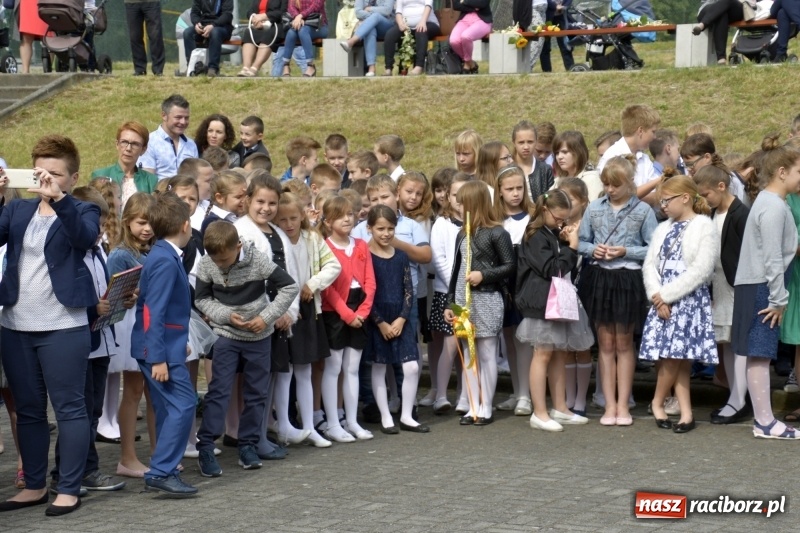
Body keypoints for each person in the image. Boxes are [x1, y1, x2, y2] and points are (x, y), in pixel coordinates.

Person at [0, 136, 99, 515]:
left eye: (56, 175)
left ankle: (69, 487)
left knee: (70, 409)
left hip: (63, 325)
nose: (48, 181)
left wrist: (59, 200)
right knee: (28, 410)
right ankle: (34, 485)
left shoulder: (83, 210)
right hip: (15, 323)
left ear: (72, 177)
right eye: (42, 173)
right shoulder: (18, 209)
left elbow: (84, 239)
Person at [195, 220, 298, 476]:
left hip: (259, 337)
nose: (220, 265)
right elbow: (202, 299)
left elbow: (290, 287)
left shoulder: (258, 260)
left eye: (225, 260)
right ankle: (206, 447)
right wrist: (225, 316)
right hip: (226, 335)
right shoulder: (207, 263)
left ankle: (248, 445)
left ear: (238, 246)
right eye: (216, 261)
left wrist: (267, 317)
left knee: (257, 393)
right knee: (218, 391)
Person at [49, 187, 127, 494]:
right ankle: (70, 472)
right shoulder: (69, 255)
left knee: (92, 410)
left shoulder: (99, 252)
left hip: (101, 341)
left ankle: (82, 469)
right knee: (78, 413)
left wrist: (122, 298)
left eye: (103, 224)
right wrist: (94, 305)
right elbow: (65, 297)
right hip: (80, 340)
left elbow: (101, 288)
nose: (100, 230)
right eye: (95, 224)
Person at [577, 155, 658, 426]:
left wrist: (626, 251)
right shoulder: (595, 208)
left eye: (615, 185)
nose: (610, 190)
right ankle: (608, 404)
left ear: (630, 183)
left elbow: (653, 247)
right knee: (605, 344)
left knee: (624, 343)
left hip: (628, 278)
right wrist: (593, 249)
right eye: (606, 184)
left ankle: (624, 404)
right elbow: (582, 242)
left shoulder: (643, 211)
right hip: (600, 277)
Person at [127, 192, 196, 495]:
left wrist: (180, 341)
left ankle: (162, 468)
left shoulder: (162, 254)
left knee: (171, 407)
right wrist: (158, 358)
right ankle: (162, 470)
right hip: (159, 350)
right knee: (184, 403)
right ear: (184, 225)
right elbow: (152, 311)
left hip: (166, 346)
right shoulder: (166, 260)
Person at [733, 136, 800, 439]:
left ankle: (764, 420)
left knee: (757, 353)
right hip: (763, 286)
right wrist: (778, 299)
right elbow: (773, 258)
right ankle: (764, 422)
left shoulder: (767, 201)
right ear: (782, 172)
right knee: (760, 354)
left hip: (756, 284)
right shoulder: (773, 207)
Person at [641, 175, 719, 434]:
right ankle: (674, 407)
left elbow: (702, 269)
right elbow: (650, 265)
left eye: (666, 200)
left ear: (685, 198)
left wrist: (667, 295)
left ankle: (667, 404)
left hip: (687, 301)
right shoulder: (663, 228)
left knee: (680, 358)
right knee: (673, 357)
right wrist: (657, 295)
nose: (662, 206)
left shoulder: (703, 226)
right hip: (664, 300)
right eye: (661, 201)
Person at [233, 174, 302, 458]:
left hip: (278, 318)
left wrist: (290, 311)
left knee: (270, 379)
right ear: (248, 200)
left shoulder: (278, 232)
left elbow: (290, 276)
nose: (266, 208)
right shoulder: (240, 230)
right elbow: (245, 280)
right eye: (260, 201)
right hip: (257, 320)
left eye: (272, 203)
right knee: (255, 383)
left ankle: (261, 434)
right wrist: (270, 314)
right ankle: (250, 440)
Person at [516, 189, 594, 431]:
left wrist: (562, 238)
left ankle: (560, 407)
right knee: (543, 353)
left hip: (556, 300)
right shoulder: (535, 235)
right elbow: (553, 269)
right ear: (544, 210)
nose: (562, 222)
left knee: (559, 351)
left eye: (565, 219)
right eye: (558, 218)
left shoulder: (549, 232)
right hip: (541, 302)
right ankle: (539, 412)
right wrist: (571, 247)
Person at [443, 181, 515, 425]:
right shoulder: (463, 233)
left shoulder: (497, 233)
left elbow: (509, 266)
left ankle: (486, 406)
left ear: (474, 203)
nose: (459, 205)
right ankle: (473, 404)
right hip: (464, 301)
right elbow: (456, 270)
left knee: (486, 353)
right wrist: (450, 304)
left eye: (463, 202)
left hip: (487, 298)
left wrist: (483, 275)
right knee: (468, 353)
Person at [275, 191, 342, 447]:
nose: (289, 224)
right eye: (283, 219)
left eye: (294, 218)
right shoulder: (276, 240)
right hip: (283, 311)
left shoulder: (311, 238)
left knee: (304, 370)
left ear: (302, 215)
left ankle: (309, 426)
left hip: (306, 309)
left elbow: (333, 265)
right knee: (284, 372)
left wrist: (313, 283)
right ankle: (283, 424)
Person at [693, 165, 750, 425]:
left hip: (735, 286)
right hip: (719, 285)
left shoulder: (740, 214)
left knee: (738, 344)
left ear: (721, 186)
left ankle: (740, 399)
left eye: (706, 195)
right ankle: (733, 396)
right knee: (725, 341)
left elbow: (748, 253)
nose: (704, 201)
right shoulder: (714, 213)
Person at [365, 205, 429, 433]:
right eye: (380, 228)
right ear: (369, 228)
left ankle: (407, 415)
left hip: (400, 318)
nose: (386, 233)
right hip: (377, 319)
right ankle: (385, 416)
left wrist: (402, 318)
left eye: (390, 228)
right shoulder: (365, 256)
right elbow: (366, 293)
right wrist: (380, 322)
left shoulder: (401, 256)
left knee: (411, 366)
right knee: (380, 366)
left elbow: (408, 290)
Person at [107, 193, 157, 479]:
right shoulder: (120, 254)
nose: (146, 229)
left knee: (154, 393)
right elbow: (113, 294)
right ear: (127, 222)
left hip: (151, 324)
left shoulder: (153, 250)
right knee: (135, 390)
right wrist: (129, 295)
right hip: (131, 325)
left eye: (151, 223)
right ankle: (127, 457)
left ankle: (158, 454)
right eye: (141, 222)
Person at [320, 196, 376, 442]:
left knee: (352, 369)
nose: (347, 219)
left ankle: (351, 421)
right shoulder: (324, 247)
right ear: (329, 220)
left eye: (350, 214)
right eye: (340, 216)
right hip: (335, 312)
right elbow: (327, 288)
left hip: (359, 311)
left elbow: (370, 282)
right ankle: (332, 423)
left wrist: (362, 313)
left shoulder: (362, 245)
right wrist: (346, 314)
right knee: (333, 368)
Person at [494, 165, 534, 417]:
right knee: (508, 337)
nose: (515, 193)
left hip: (524, 281)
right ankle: (516, 391)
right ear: (499, 191)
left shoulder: (531, 217)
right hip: (502, 281)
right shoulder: (495, 219)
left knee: (522, 339)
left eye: (519, 188)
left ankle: (526, 395)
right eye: (510, 189)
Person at [430, 173, 471, 413]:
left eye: (464, 196)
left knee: (468, 346)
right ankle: (441, 395)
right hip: (448, 294)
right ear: (447, 196)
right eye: (455, 195)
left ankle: (465, 396)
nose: (459, 200)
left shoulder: (474, 223)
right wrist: (456, 289)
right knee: (449, 345)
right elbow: (440, 260)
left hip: (470, 294)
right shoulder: (441, 224)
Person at [557, 177, 592, 416]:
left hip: (584, 289)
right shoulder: (556, 227)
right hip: (563, 290)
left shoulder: (588, 226)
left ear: (584, 202)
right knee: (566, 346)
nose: (566, 204)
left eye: (570, 199)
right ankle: (569, 397)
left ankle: (581, 399)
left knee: (583, 345)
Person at [597, 104, 662, 202]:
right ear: (640, 131)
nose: (655, 137)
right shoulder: (612, 157)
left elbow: (657, 193)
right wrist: (660, 180)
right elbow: (622, 196)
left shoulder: (644, 159)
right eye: (653, 132)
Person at [91, 121, 159, 208]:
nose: (128, 148)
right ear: (117, 144)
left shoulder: (151, 180)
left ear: (143, 149)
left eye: (135, 144)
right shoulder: (100, 175)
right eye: (124, 142)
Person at [139, 95, 199, 181]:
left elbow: (195, 178)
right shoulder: (150, 142)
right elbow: (147, 180)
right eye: (178, 117)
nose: (183, 122)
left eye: (186, 118)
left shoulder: (191, 145)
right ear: (164, 116)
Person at [681, 133, 748, 206]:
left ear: (707, 157)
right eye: (685, 165)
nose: (688, 169)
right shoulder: (693, 179)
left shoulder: (729, 181)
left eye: (691, 164)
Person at [383, 0, 441, 76]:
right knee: (389, 35)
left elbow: (428, 6)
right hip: (406, 26)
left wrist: (423, 21)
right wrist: (400, 24)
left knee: (420, 31)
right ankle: (388, 68)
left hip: (428, 23)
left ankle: (419, 66)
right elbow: (398, 12)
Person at [340, 0, 395, 77]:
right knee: (371, 29)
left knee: (376, 16)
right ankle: (371, 68)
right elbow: (358, 13)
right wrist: (372, 19)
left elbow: (387, 10)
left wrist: (370, 9)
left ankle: (351, 41)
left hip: (387, 26)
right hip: (369, 26)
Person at [184, 0, 234, 77]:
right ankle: (192, 67)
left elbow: (227, 15)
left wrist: (213, 25)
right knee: (187, 33)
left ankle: (213, 68)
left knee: (215, 32)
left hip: (222, 26)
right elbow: (194, 12)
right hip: (204, 24)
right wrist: (197, 23)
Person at [280, 0, 329, 77]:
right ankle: (286, 66)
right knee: (291, 32)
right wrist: (297, 16)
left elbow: (316, 6)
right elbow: (291, 6)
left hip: (319, 26)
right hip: (301, 23)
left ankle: (310, 66)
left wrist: (301, 16)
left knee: (303, 31)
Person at [238, 0, 287, 77]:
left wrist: (264, 16)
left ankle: (254, 68)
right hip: (258, 24)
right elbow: (250, 11)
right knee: (248, 32)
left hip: (276, 24)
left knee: (269, 34)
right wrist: (254, 19)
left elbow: (283, 13)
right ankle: (246, 68)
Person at [553, 130, 603, 201]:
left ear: (578, 152)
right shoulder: (557, 181)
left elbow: (595, 209)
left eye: (565, 152)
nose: (559, 157)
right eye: (557, 153)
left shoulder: (591, 179)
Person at [512, 120, 554, 200]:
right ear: (514, 142)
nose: (526, 147)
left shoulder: (545, 170)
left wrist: (543, 198)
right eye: (521, 142)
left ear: (535, 142)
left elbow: (550, 196)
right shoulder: (506, 168)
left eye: (530, 142)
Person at [693, 0, 744, 65]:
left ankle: (703, 24)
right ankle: (721, 58)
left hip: (734, 6)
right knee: (721, 13)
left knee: (724, 5)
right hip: (708, 8)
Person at [200, 170, 248, 237]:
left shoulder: (240, 216)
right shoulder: (212, 222)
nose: (244, 200)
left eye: (246, 195)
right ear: (219, 198)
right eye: (238, 197)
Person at [124, 0, 166, 76]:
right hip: (131, 3)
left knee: (155, 35)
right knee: (135, 36)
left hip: (151, 3)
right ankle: (140, 69)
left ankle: (158, 70)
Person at [449, 0, 492, 74]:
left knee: (466, 36)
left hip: (482, 20)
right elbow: (456, 5)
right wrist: (474, 7)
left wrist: (464, 1)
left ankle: (467, 65)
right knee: (453, 41)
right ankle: (470, 63)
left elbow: (482, 3)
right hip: (464, 19)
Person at [512, 0, 547, 71]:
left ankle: (525, 66)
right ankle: (526, 66)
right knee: (540, 35)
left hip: (542, 8)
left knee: (531, 38)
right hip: (531, 8)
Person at [540, 1, 574, 72]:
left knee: (565, 45)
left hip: (561, 16)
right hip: (546, 16)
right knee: (545, 46)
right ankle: (546, 71)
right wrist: (554, 6)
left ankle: (571, 70)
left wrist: (564, 7)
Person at [16, 0, 47, 73]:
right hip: (28, 3)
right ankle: (25, 71)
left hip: (47, 3)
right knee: (27, 36)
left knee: (48, 37)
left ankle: (47, 69)